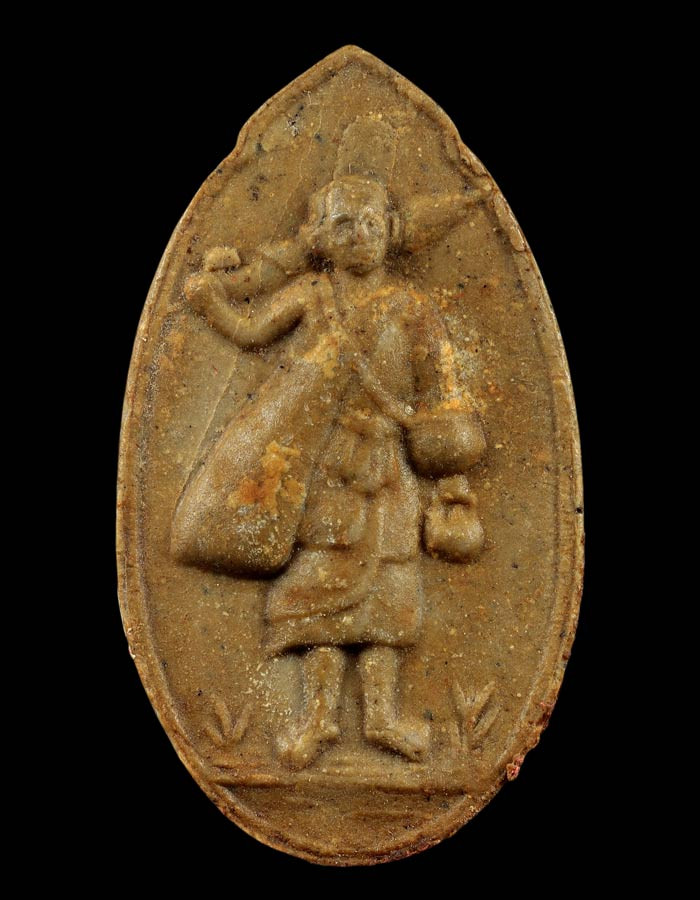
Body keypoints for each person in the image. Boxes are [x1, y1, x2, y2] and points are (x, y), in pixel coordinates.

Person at [172, 119, 486, 770]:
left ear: (391, 232)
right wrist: (208, 298)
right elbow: (250, 330)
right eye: (343, 225)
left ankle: (383, 718)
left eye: (370, 224)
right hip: (323, 466)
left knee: (389, 597)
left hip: (389, 470)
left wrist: (452, 471)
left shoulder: (413, 309)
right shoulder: (311, 295)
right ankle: (317, 718)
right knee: (317, 590)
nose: (359, 236)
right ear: (318, 235)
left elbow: (442, 393)